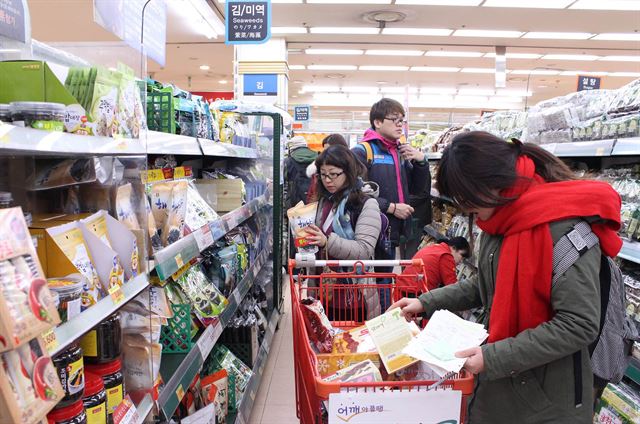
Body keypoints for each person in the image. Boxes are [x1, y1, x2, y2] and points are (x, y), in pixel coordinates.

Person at [390, 132, 622, 423]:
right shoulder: (499, 220)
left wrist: (493, 357)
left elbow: (579, 324)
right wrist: (424, 302)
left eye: (466, 198)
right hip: (501, 384)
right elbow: (486, 282)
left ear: (492, 183)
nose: (463, 208)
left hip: (545, 398)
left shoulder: (566, 231)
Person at [352, 98, 430, 308]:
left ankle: (383, 328)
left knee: (384, 281)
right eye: (394, 119)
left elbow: (418, 191)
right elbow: (355, 192)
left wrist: (421, 162)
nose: (400, 125)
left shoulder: (400, 152)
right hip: (369, 230)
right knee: (371, 284)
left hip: (391, 231)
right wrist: (391, 207)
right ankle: (380, 328)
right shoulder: (363, 152)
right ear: (377, 122)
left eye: (402, 120)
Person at [304, 145, 382, 319]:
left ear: (348, 172)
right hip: (324, 291)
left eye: (334, 174)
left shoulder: (366, 204)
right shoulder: (324, 202)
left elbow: (364, 250)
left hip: (355, 295)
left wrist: (326, 242)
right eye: (323, 175)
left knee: (352, 343)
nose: (328, 180)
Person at [401, 236, 470, 292]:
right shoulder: (446, 256)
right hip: (414, 292)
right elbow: (452, 286)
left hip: (403, 286)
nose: (461, 261)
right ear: (454, 248)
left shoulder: (436, 247)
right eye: (462, 256)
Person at [307, 133, 356, 203]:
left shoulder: (354, 169)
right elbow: (313, 193)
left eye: (333, 174)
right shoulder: (317, 169)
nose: (327, 180)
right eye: (324, 150)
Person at [284, 135, 318, 209]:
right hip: (314, 201)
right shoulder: (318, 158)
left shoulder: (288, 161)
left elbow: (284, 180)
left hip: (294, 204)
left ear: (291, 148)